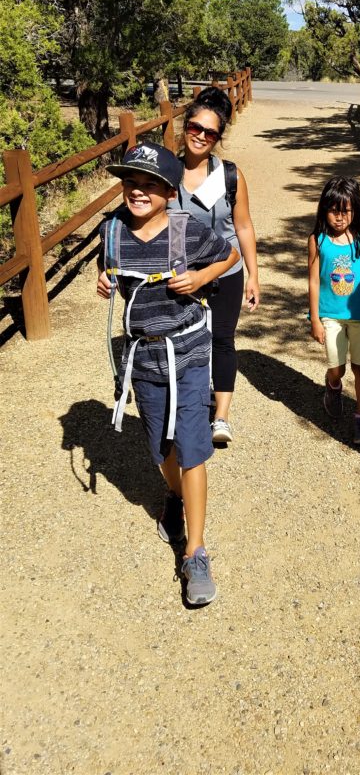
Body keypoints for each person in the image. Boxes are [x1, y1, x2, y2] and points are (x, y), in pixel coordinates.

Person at [96, 140, 239, 606]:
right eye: (130, 183)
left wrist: (200, 279)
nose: (138, 192)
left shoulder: (185, 231)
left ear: (169, 191)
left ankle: (195, 552)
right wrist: (106, 280)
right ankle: (175, 497)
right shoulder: (112, 231)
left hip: (189, 355)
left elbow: (228, 255)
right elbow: (111, 271)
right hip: (144, 359)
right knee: (160, 446)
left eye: (150, 185)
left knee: (191, 447)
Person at [172, 87, 259, 444]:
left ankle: (220, 416)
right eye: (195, 128)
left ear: (218, 138)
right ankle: (187, 404)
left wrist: (254, 275)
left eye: (210, 133)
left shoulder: (230, 176)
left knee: (222, 339)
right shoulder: (166, 171)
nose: (201, 137)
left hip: (227, 270)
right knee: (183, 342)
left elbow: (243, 226)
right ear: (185, 126)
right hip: (181, 273)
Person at [308, 176, 360, 445]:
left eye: (346, 211)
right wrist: (315, 318)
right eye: (334, 211)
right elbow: (314, 280)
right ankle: (333, 385)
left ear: (356, 210)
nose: (339, 218)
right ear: (324, 209)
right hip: (330, 315)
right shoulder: (318, 241)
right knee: (337, 367)